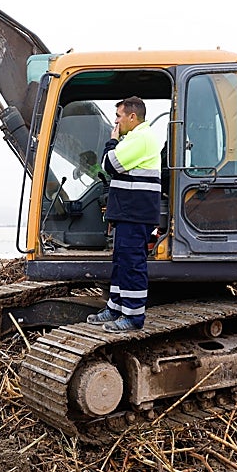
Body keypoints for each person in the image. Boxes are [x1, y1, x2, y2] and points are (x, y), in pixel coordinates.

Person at [87, 97, 160, 332]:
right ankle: (116, 307)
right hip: (128, 212)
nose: (116, 121)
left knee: (132, 264)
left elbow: (109, 165)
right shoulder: (135, 139)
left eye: (119, 116)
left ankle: (133, 317)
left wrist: (111, 141)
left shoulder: (141, 138)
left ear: (132, 117)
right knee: (121, 262)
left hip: (135, 213)